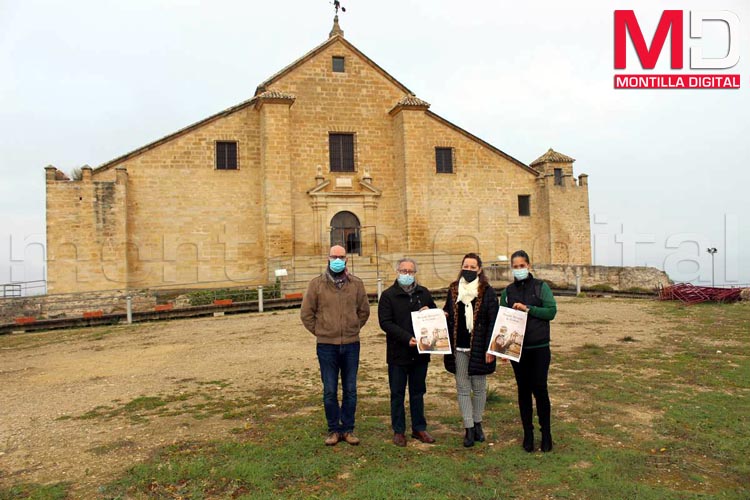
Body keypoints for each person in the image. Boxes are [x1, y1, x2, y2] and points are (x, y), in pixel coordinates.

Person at [300, 245, 371, 446]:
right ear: (328, 258)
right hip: (326, 346)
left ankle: (348, 429)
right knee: (329, 389)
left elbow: (364, 311)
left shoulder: (356, 284)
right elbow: (306, 313)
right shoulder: (317, 284)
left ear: (346, 259)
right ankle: (333, 429)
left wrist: (353, 328)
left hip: (351, 344)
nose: (338, 259)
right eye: (334, 256)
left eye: (341, 256)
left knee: (350, 389)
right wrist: (321, 331)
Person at [499, 249, 557, 452]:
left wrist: (529, 309)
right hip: (517, 349)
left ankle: (546, 434)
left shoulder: (541, 287)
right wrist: (503, 349)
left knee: (540, 389)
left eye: (521, 266)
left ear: (528, 266)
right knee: (523, 391)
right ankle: (528, 434)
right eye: (515, 267)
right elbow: (503, 320)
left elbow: (551, 312)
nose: (518, 269)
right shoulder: (507, 292)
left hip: (539, 347)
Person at [378, 258, 438, 447]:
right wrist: (406, 338)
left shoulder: (424, 293)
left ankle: (419, 427)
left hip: (420, 353)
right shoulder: (388, 295)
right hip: (398, 353)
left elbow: (435, 316)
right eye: (403, 271)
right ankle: (398, 430)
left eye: (410, 271)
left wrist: (431, 311)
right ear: (397, 271)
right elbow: (385, 322)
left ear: (415, 273)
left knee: (418, 392)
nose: (407, 274)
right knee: (397, 393)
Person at [443, 253, 498, 447]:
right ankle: (468, 428)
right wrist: (441, 315)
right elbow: (447, 312)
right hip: (459, 348)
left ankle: (478, 423)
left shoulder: (488, 292)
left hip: (479, 348)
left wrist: (491, 348)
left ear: (479, 270)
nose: (468, 269)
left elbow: (494, 321)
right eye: (465, 266)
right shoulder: (453, 290)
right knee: (463, 388)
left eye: (472, 267)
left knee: (480, 388)